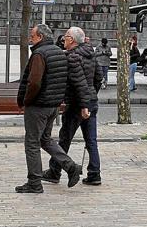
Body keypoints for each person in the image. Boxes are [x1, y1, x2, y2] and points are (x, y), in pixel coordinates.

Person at [15, 24, 82, 193]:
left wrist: (26, 100)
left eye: (33, 36)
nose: (31, 39)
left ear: (41, 37)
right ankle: (70, 166)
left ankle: (34, 182)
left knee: (32, 143)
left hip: (38, 106)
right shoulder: (59, 52)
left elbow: (34, 82)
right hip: (53, 105)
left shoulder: (39, 54)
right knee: (45, 139)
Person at [43, 26, 104, 186]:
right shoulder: (91, 54)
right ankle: (94, 173)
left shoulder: (72, 57)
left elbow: (79, 83)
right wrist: (92, 96)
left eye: (66, 37)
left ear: (72, 40)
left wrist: (83, 103)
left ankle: (55, 171)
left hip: (78, 104)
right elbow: (98, 77)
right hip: (90, 101)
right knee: (91, 140)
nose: (63, 39)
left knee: (65, 138)